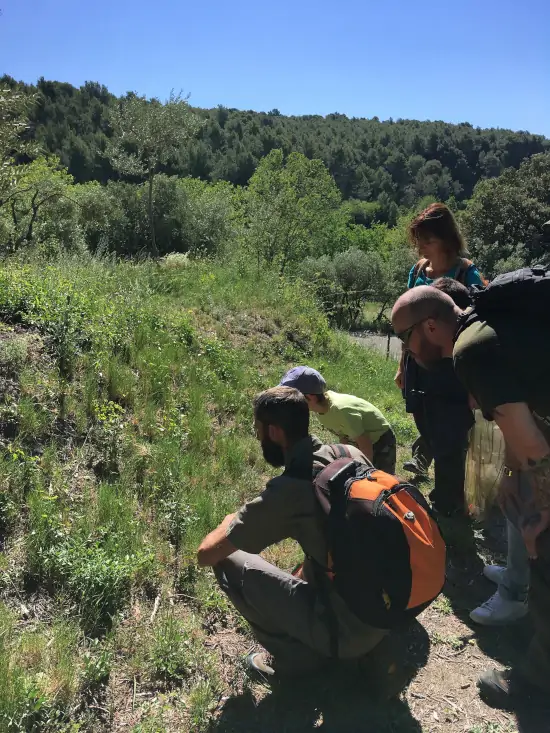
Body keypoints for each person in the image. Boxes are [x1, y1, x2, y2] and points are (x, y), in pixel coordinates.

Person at [391, 284, 550, 709]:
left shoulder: (471, 352)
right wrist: (516, 479)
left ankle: (536, 686)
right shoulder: (484, 331)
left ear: (429, 326)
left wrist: (540, 513)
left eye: (405, 338)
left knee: (546, 556)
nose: (406, 349)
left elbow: (536, 447)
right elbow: (521, 414)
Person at [197, 386, 401, 692]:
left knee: (228, 562)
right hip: (388, 609)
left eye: (258, 430)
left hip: (347, 632)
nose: (257, 437)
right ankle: (361, 646)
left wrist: (230, 521)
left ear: (275, 432)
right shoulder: (349, 453)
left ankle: (297, 660)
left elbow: (206, 553)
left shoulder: (292, 489)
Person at [395, 203, 486, 516]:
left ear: (446, 239)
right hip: (417, 363)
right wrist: (402, 365)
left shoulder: (467, 273)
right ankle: (425, 454)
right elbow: (408, 317)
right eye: (418, 240)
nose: (420, 247)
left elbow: (478, 325)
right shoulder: (418, 271)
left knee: (450, 432)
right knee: (423, 417)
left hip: (450, 367)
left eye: (427, 240)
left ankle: (448, 505)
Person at [279, 366, 396, 474]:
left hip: (380, 441)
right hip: (358, 440)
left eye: (292, 399)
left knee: (382, 480)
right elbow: (343, 434)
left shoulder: (341, 411)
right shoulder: (320, 410)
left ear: (310, 398)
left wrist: (364, 472)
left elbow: (365, 443)